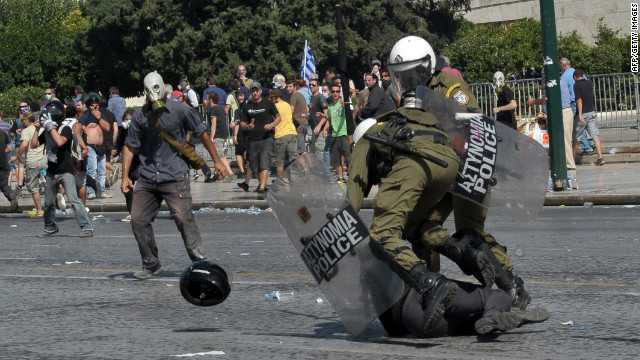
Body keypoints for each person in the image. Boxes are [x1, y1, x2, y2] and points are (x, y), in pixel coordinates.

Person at [421, 37, 531, 310]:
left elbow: (470, 115)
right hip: (444, 168)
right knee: (422, 224)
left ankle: (512, 283)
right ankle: (427, 285)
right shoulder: (419, 91)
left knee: (469, 230)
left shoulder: (447, 85)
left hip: (470, 162)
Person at [120, 71, 228, 279]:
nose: (154, 95)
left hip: (175, 174)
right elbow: (130, 147)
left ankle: (200, 261)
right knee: (138, 220)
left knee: (183, 217)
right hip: (148, 176)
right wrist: (125, 177)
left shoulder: (181, 110)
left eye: (157, 90)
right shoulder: (140, 116)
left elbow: (201, 133)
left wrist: (216, 161)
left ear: (163, 90)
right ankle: (151, 264)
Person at [380, 281, 549, 338]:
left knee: (466, 325)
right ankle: (494, 314)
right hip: (420, 292)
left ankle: (492, 319)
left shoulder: (365, 273)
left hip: (410, 323)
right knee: (496, 294)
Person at [30, 100, 93, 237]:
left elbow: (59, 142)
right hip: (51, 170)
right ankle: (50, 227)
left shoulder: (65, 129)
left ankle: (87, 227)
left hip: (66, 170)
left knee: (73, 199)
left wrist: (50, 127)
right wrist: (37, 129)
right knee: (49, 203)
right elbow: (33, 145)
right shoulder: (47, 130)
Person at [237, 81, 280, 199]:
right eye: (253, 90)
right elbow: (242, 123)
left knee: (265, 161)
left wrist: (272, 125)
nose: (255, 92)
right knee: (255, 166)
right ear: (250, 92)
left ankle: (261, 188)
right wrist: (247, 127)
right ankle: (264, 186)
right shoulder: (247, 106)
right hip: (253, 140)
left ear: (261, 91)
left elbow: (278, 117)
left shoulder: (268, 103)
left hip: (267, 138)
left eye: (257, 90)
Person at [12, 112, 46, 217]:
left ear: (27, 121)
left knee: (34, 188)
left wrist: (16, 156)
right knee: (48, 186)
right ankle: (50, 208)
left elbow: (25, 144)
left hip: (32, 162)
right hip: (45, 160)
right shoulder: (43, 129)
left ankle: (39, 211)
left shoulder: (26, 131)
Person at [79, 92, 111, 199]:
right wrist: (84, 146)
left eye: (96, 105)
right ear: (88, 106)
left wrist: (99, 118)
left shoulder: (102, 116)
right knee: (92, 170)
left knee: (102, 171)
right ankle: (91, 191)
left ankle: (101, 191)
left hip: (101, 146)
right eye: (92, 105)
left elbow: (107, 128)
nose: (95, 107)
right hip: (90, 146)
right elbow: (77, 130)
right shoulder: (85, 117)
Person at [572, 69, 604, 166]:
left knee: (577, 138)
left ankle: (572, 161)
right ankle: (600, 157)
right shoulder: (590, 82)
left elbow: (579, 100)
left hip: (583, 113)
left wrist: (580, 114)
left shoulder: (576, 85)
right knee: (595, 136)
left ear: (575, 77)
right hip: (592, 111)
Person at [112, 110, 137, 222]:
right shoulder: (123, 129)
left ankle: (146, 211)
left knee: (144, 188)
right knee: (127, 187)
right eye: (126, 120)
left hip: (140, 161)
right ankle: (132, 212)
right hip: (128, 163)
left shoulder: (139, 129)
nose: (128, 122)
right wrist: (115, 150)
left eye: (130, 120)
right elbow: (120, 142)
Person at [206, 92, 235, 182]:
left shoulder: (213, 109)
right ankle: (218, 174)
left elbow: (213, 124)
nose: (206, 100)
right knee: (217, 155)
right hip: (223, 134)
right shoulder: (221, 109)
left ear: (211, 99)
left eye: (207, 98)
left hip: (217, 135)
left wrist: (211, 137)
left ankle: (230, 174)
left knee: (219, 155)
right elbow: (225, 123)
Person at [269, 89, 298, 176]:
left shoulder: (275, 107)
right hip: (291, 133)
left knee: (279, 161)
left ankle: (280, 183)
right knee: (295, 157)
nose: (270, 100)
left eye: (272, 98)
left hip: (281, 135)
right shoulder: (287, 104)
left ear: (276, 97)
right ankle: (304, 172)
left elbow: (272, 120)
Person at [324, 84, 349, 184]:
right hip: (334, 134)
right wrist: (325, 129)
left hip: (344, 133)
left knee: (348, 155)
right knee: (336, 157)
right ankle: (340, 177)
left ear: (340, 92)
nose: (335, 93)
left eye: (337, 91)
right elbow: (329, 119)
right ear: (330, 92)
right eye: (333, 91)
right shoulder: (330, 106)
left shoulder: (343, 103)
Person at [0, 114, 18, 212]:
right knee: (4, 185)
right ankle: (10, 194)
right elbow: (10, 148)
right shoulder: (3, 133)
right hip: (3, 163)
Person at [286, 79, 309, 154]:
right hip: (305, 124)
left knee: (301, 149)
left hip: (298, 124)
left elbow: (291, 111)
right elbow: (307, 109)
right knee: (301, 148)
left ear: (295, 87)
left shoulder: (293, 96)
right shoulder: (301, 95)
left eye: (290, 86)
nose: (288, 89)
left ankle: (308, 165)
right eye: (287, 87)